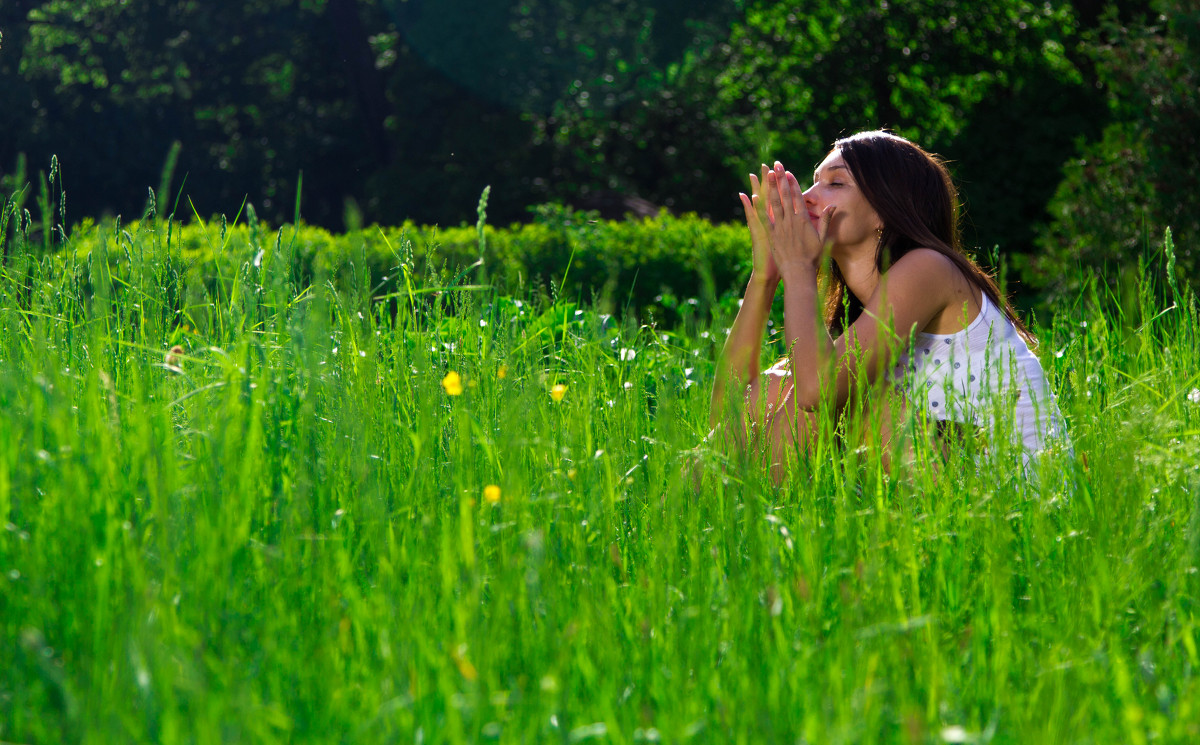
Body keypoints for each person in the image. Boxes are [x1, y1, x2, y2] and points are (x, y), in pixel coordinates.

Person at [709, 130, 1067, 479]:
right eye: (814, 181)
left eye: (835, 183)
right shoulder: (861, 320)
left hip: (1009, 489)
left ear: (885, 209)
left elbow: (816, 393)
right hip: (944, 469)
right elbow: (724, 414)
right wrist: (765, 275)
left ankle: (750, 517)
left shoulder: (929, 268)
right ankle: (729, 520)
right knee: (779, 383)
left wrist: (799, 270)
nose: (806, 196)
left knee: (836, 397)